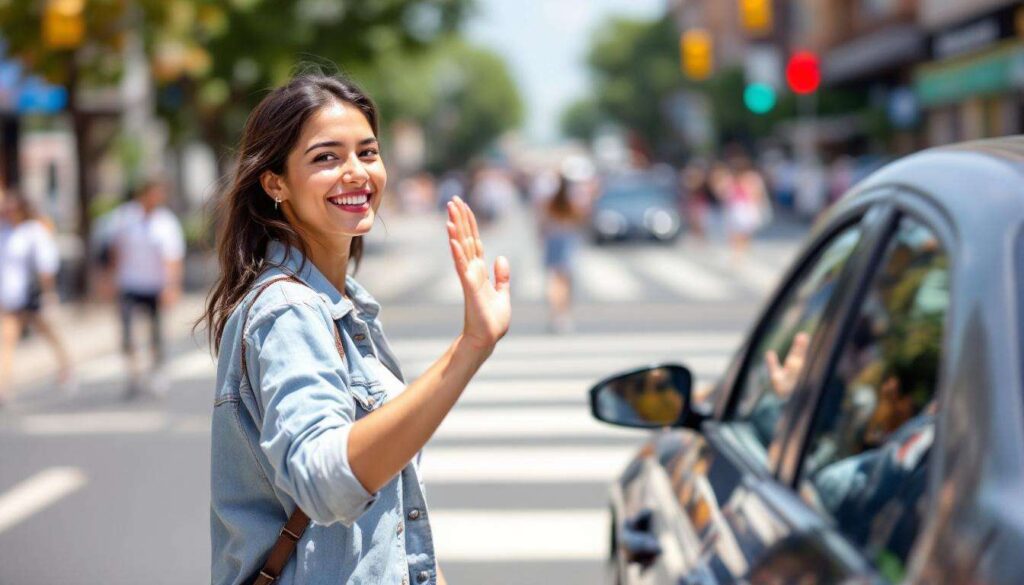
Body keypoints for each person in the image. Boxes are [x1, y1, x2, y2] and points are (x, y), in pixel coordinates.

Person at [202, 72, 511, 585]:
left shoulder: (345, 305)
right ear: (275, 182)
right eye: (326, 157)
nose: (356, 173)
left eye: (367, 153)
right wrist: (469, 348)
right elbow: (327, 485)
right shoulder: (288, 311)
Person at [105, 179, 185, 398]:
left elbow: (173, 258)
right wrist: (111, 278)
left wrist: (171, 286)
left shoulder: (166, 223)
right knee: (127, 330)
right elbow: (115, 248)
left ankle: (157, 370)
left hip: (155, 286)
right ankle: (132, 373)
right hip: (129, 283)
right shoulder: (125, 217)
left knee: (155, 331)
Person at [0, 188, 75, 405]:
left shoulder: (34, 231)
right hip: (10, 297)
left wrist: (49, 294)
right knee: (7, 340)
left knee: (49, 334)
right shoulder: (4, 232)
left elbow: (45, 267)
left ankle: (66, 366)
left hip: (32, 296)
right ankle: (4, 387)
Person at [538, 175, 587, 333]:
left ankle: (556, 314)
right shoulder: (572, 201)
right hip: (566, 239)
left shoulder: (551, 201)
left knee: (554, 279)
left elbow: (542, 223)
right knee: (565, 280)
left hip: (553, 239)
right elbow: (581, 218)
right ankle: (562, 314)